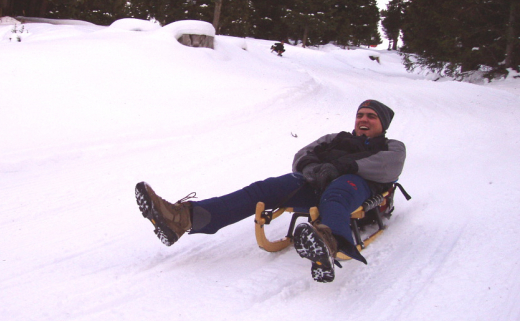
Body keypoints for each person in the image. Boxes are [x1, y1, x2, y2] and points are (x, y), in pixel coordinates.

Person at [135, 100, 406, 283]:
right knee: (263, 189)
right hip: (316, 183)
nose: (363, 120)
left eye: (371, 116)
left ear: (383, 123)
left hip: (354, 185)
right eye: (360, 115)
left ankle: (328, 242)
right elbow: (304, 152)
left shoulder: (392, 145)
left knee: (336, 195)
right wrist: (310, 167)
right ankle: (182, 219)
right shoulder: (336, 138)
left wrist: (344, 166)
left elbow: (389, 167)